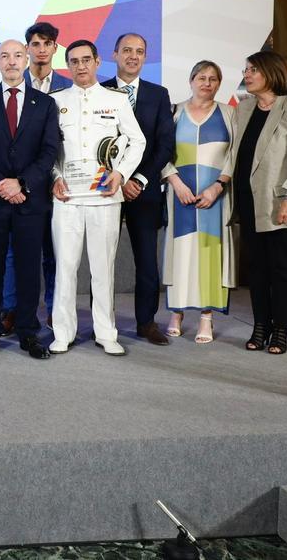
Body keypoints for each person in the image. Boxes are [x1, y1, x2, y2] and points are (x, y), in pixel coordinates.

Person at [50, 40, 146, 355]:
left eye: (86, 60)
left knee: (103, 269)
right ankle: (62, 332)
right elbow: (48, 149)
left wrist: (121, 174)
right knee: (65, 268)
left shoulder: (116, 100)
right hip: (67, 200)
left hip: (105, 197)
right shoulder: (55, 101)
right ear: (68, 65)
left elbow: (137, 140)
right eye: (74, 61)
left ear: (97, 61)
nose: (80, 66)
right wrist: (54, 177)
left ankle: (106, 333)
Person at [0, 39, 59, 360]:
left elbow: (49, 152)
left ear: (27, 60)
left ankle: (28, 333)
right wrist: (1, 183)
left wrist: (21, 183)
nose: (11, 62)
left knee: (28, 269)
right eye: (4, 56)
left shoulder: (45, 104)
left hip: (29, 200)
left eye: (17, 55)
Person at [230, 51, 287, 356]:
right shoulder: (243, 108)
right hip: (247, 199)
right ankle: (260, 326)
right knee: (256, 268)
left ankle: (280, 329)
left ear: (271, 71)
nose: (247, 74)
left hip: (281, 202)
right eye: (246, 69)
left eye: (253, 69)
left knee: (280, 268)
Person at [102, 32, 175, 346]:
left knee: (147, 261)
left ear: (146, 57)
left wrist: (139, 179)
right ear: (115, 54)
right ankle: (101, 322)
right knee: (102, 259)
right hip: (104, 189)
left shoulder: (159, 95)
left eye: (140, 51)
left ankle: (146, 323)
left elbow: (164, 145)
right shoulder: (97, 91)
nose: (133, 56)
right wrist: (115, 178)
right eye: (127, 50)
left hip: (143, 191)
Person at [2, 21, 73, 331]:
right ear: (27, 49)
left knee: (53, 252)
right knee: (13, 251)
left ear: (55, 48)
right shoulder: (15, 84)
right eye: (35, 44)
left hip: (58, 183)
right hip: (19, 184)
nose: (41, 49)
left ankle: (55, 310)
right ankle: (11, 309)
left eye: (47, 43)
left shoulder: (70, 88)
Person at [161, 61, 236, 343]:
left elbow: (234, 155)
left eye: (213, 79)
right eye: (201, 77)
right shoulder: (174, 112)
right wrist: (175, 181)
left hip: (213, 199)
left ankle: (207, 317)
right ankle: (176, 313)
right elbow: (161, 150)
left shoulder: (229, 114)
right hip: (180, 196)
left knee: (210, 255)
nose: (207, 83)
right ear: (191, 80)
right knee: (180, 255)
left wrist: (218, 187)